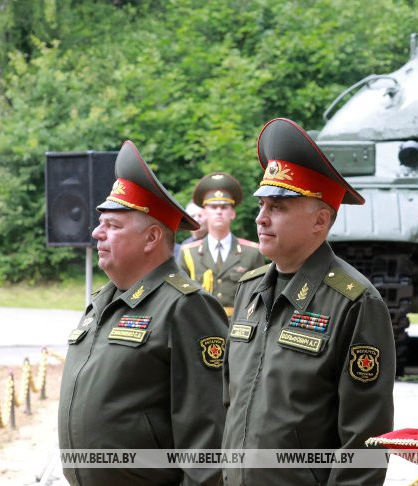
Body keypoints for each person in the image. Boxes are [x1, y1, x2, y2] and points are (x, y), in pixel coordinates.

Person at [221, 118, 395, 485]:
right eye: (262, 205)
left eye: (278, 207)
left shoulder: (354, 301)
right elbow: (229, 403)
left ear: (320, 221)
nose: (261, 218)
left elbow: (364, 442)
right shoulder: (248, 289)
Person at [58, 140, 228, 486]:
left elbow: (207, 435)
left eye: (114, 226)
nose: (96, 232)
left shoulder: (185, 306)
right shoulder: (102, 300)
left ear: (151, 237)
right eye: (100, 223)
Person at [179, 172, 264, 316]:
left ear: (233, 213)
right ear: (204, 213)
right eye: (213, 207)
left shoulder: (252, 252)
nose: (219, 211)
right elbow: (181, 297)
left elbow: (259, 297)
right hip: (200, 324)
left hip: (238, 327)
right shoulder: (188, 253)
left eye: (224, 207)